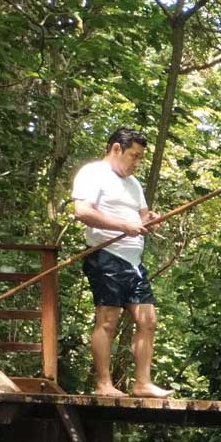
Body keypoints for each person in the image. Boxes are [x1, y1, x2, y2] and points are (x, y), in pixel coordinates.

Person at [71, 128, 171, 398]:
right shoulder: (93, 174)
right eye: (133, 156)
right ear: (116, 149)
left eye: (140, 158)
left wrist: (151, 220)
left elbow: (142, 217)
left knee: (147, 320)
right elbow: (82, 211)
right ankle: (104, 384)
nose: (137, 163)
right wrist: (122, 226)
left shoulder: (133, 184)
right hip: (105, 256)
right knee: (108, 321)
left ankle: (142, 383)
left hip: (133, 261)